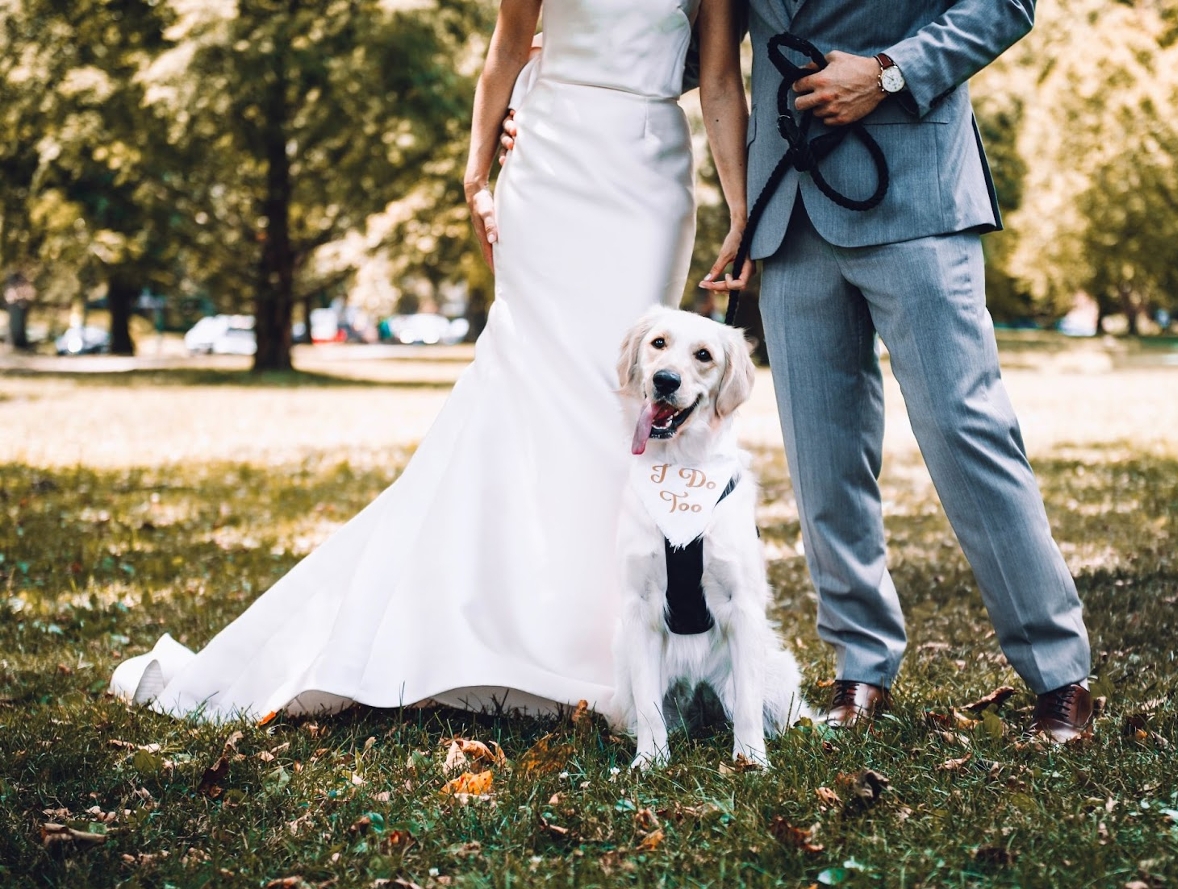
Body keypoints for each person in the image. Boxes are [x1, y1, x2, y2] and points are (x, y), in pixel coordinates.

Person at [110, 0, 752, 721]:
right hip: (550, 165)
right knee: (529, 385)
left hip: (650, 176)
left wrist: (739, 207)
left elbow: (722, 78)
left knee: (621, 401)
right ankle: (500, 625)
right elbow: (506, 48)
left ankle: (623, 637)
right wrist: (476, 178)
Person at [507, 0, 1094, 742]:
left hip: (912, 186)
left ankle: (1058, 673)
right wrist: (562, 84)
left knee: (965, 432)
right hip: (787, 207)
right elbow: (703, 52)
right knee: (823, 459)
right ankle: (862, 663)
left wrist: (888, 73)